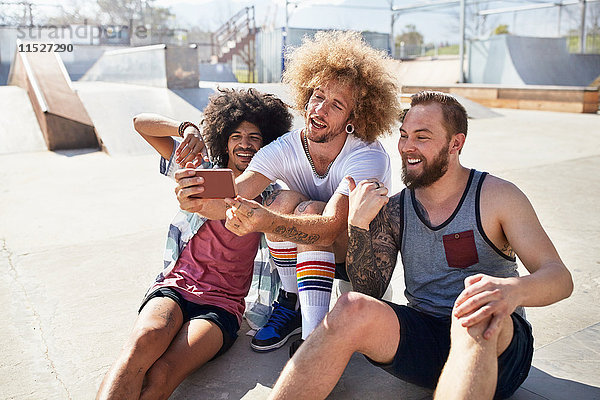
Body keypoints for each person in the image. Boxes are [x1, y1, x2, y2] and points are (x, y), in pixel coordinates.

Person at [268, 91, 574, 400]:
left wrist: (511, 291)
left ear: (456, 144)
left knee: (473, 311)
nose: (407, 147)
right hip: (427, 341)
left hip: (497, 348)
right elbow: (368, 290)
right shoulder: (396, 209)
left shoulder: (496, 197)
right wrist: (358, 226)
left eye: (422, 137)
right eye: (404, 136)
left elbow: (558, 277)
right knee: (350, 307)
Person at [174, 30, 402, 355]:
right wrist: (196, 193)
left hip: (361, 255)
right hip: (305, 254)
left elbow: (333, 225)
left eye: (336, 105)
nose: (319, 109)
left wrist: (265, 221)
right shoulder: (286, 147)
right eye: (317, 95)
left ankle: (314, 343)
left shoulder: (367, 155)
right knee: (284, 201)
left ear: (355, 119)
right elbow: (238, 190)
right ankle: (293, 300)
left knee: (307, 211)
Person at [96, 88, 292, 400]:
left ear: (267, 143)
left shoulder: (273, 196)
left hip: (222, 306)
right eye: (236, 135)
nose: (245, 144)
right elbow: (140, 123)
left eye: (255, 137)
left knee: (163, 373)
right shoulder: (203, 171)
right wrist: (186, 128)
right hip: (176, 286)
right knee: (144, 342)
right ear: (223, 140)